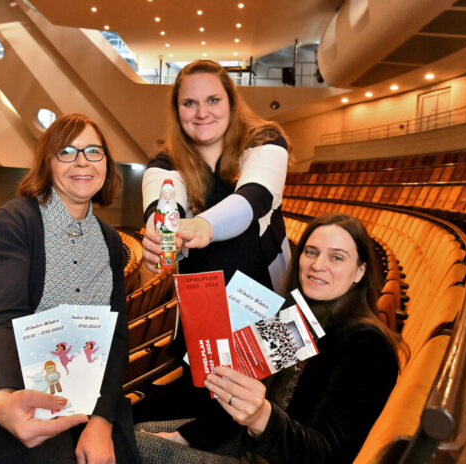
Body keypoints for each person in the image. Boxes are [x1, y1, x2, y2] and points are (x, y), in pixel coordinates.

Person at [0, 113, 139, 464]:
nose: (82, 162)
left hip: (87, 397)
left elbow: (116, 336)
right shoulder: (18, 220)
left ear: (106, 161)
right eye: (67, 152)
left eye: (94, 151)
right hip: (16, 389)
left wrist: (102, 420)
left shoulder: (109, 240)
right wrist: (1, 399)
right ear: (48, 161)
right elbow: (4, 317)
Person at [136, 213, 406, 463]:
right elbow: (235, 413)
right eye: (311, 252)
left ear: (360, 271)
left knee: (133, 443)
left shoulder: (367, 345)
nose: (317, 265)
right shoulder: (296, 316)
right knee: (139, 431)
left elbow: (326, 454)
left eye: (337, 257)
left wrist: (261, 416)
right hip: (251, 444)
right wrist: (185, 437)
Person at [136, 59, 291, 455]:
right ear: (177, 111)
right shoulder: (166, 161)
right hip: (203, 303)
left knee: (260, 395)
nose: (202, 112)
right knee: (204, 388)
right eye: (189, 103)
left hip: (264, 296)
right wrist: (160, 234)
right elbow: (163, 204)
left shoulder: (266, 140)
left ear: (231, 101)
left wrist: (202, 227)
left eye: (212, 99)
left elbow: (252, 199)